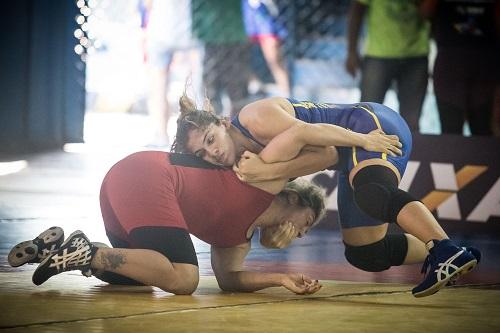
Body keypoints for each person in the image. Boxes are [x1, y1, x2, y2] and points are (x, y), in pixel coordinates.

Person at [173, 94, 480, 297]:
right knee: (366, 253)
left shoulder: (256, 118)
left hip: (368, 126)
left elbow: (325, 151)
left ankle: (445, 249)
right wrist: (270, 236)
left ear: (224, 123)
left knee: (373, 195)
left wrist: (364, 139)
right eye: (203, 152)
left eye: (212, 139)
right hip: (347, 154)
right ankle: (455, 255)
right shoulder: (242, 164)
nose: (213, 152)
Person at [8, 147, 328, 295]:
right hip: (148, 177)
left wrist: (281, 278)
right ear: (293, 198)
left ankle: (55, 251)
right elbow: (313, 148)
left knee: (144, 276)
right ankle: (88, 252)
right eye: (307, 222)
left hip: (126, 185)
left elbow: (229, 279)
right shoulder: (267, 182)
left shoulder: (240, 238)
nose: (301, 234)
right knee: (185, 278)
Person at [345, 0, 430, 132]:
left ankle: (410, 152)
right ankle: (362, 152)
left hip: (415, 55)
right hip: (378, 55)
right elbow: (357, 10)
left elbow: (430, 14)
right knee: (366, 116)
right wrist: (351, 52)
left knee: (411, 122)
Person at [420, 0, 499, 136]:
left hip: (484, 60)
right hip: (450, 59)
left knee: (482, 129)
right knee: (451, 130)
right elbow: (424, 12)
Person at [191, 0, 251, 118]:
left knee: (237, 89)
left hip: (233, 33)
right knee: (211, 89)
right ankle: (213, 121)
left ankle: (236, 124)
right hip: (211, 34)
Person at [242, 0, 290, 97]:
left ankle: (286, 94)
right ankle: (255, 84)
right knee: (244, 56)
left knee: (274, 60)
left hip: (268, 19)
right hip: (252, 16)